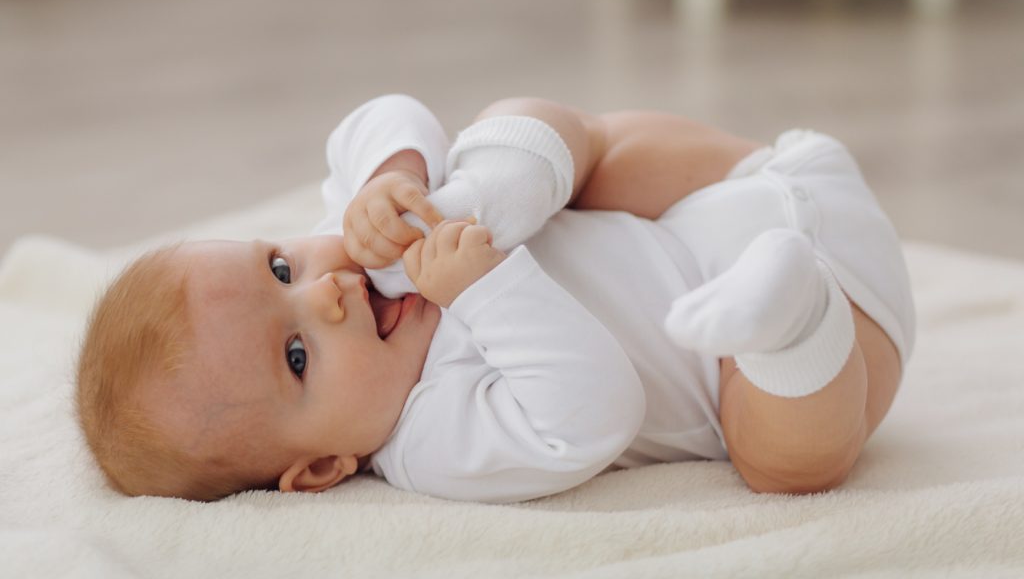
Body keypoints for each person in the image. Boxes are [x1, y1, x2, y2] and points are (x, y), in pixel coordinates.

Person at [75, 95, 913, 503]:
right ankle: (789, 313)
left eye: (278, 269)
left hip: (730, 191)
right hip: (825, 341)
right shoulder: (430, 440)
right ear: (326, 466)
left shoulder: (362, 232)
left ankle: (514, 179)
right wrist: (486, 288)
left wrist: (395, 175)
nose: (328, 292)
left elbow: (384, 114)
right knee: (783, 462)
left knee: (576, 144)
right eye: (296, 358)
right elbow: (594, 414)